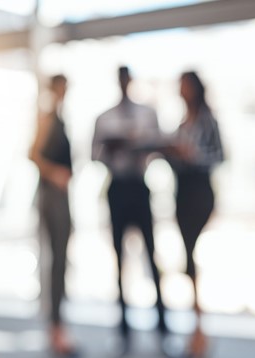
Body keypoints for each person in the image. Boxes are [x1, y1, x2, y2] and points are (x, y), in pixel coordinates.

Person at [91, 66, 167, 354]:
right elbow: (94, 154)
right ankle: (123, 327)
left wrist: (140, 144)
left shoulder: (147, 114)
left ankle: (163, 325)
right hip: (117, 188)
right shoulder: (104, 118)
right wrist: (113, 148)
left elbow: (159, 146)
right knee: (119, 260)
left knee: (152, 255)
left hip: (139, 186)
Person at [166, 71, 224, 357]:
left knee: (196, 256)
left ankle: (201, 328)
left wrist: (192, 155)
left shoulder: (207, 121)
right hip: (183, 192)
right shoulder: (181, 124)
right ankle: (197, 328)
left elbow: (219, 156)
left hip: (200, 193)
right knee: (187, 257)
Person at [29, 74, 77, 356]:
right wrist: (55, 174)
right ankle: (55, 328)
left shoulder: (59, 117)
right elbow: (33, 154)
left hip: (61, 195)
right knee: (57, 261)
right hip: (52, 196)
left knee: (61, 261)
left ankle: (58, 326)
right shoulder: (48, 118)